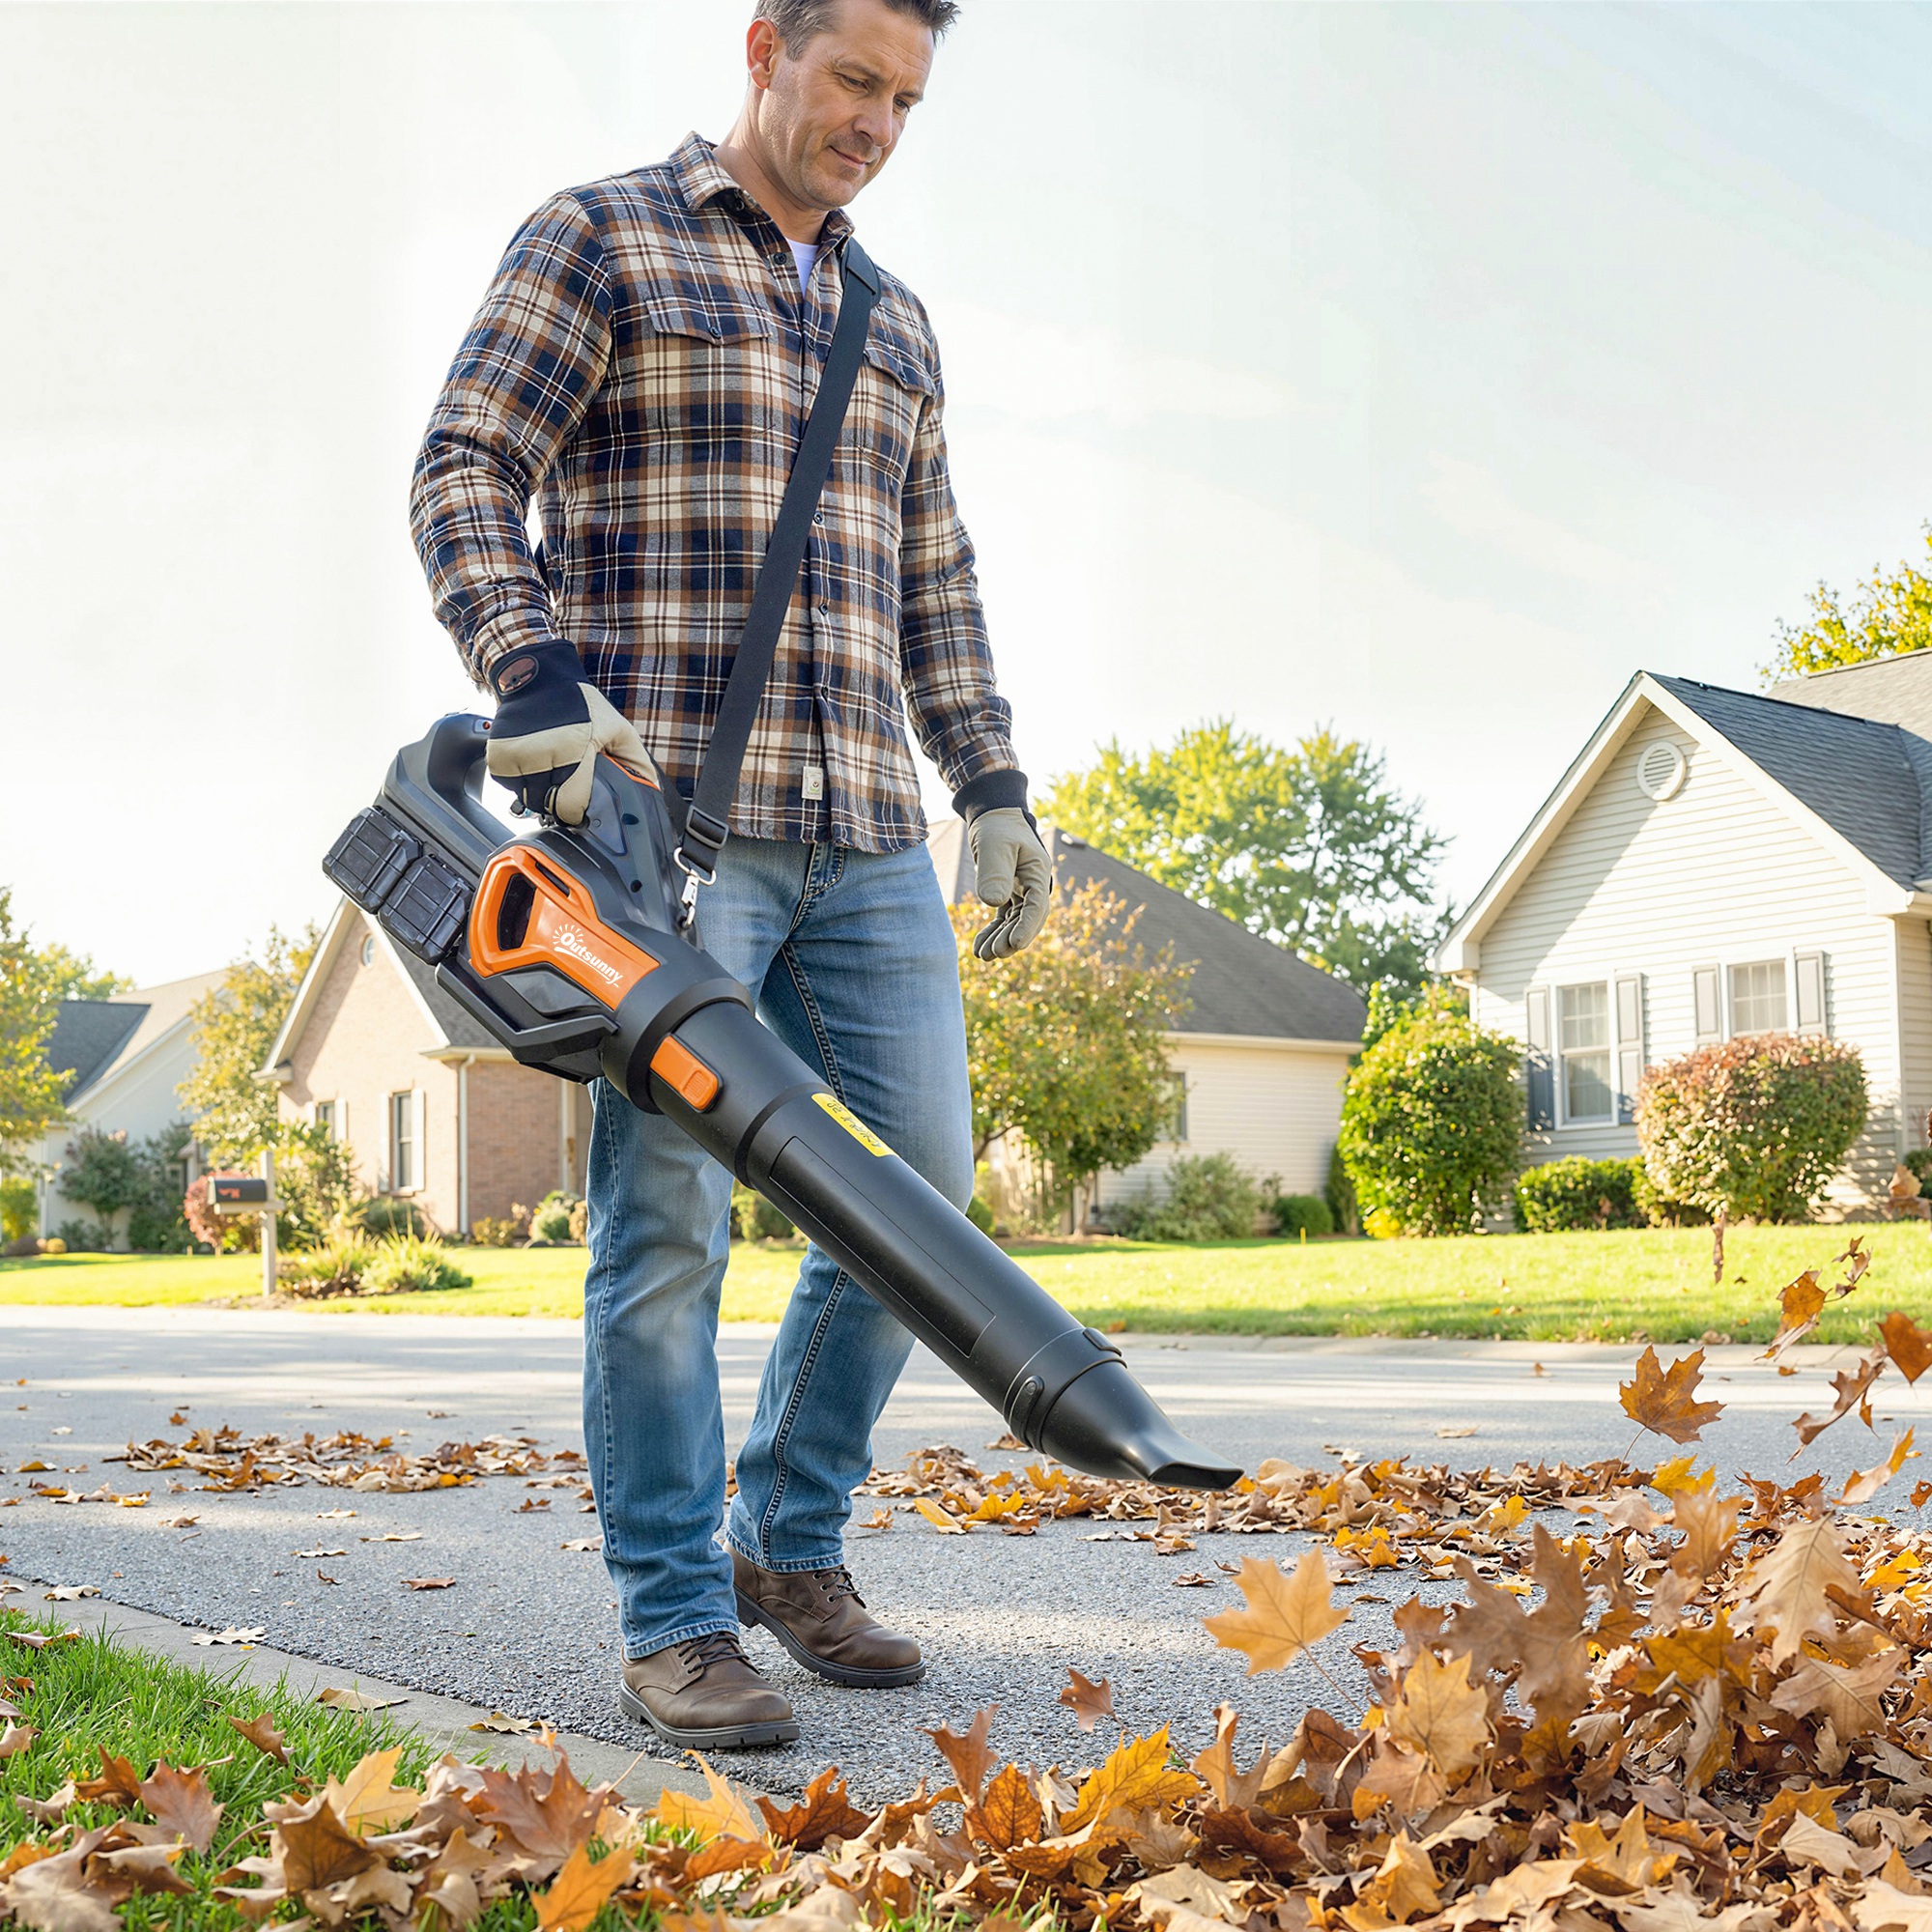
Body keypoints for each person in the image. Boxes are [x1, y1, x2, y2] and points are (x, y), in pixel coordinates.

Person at [409, 0, 1052, 1748]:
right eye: (854, 80)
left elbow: (937, 576)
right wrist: (528, 667)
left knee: (922, 1195)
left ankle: (790, 1531)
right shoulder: (601, 236)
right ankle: (680, 1615)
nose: (877, 125)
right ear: (765, 45)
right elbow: (467, 460)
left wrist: (986, 776)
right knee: (668, 1224)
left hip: (865, 835)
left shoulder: (893, 320)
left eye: (908, 100)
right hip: (665, 836)